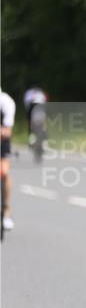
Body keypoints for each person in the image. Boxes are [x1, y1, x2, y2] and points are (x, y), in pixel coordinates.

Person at [0, 88, 16, 231]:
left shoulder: (6, 101)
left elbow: (7, 131)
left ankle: (6, 211)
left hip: (2, 141)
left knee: (4, 172)